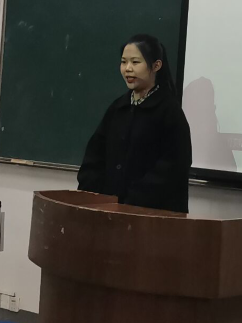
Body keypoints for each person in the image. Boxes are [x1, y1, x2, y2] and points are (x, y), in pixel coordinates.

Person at [78, 34, 192, 213]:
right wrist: (94, 193)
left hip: (150, 215)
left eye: (135, 62)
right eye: (124, 62)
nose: (128, 69)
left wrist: (132, 201)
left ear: (156, 66)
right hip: (108, 211)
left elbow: (174, 167)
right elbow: (94, 156)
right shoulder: (118, 108)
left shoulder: (169, 111)